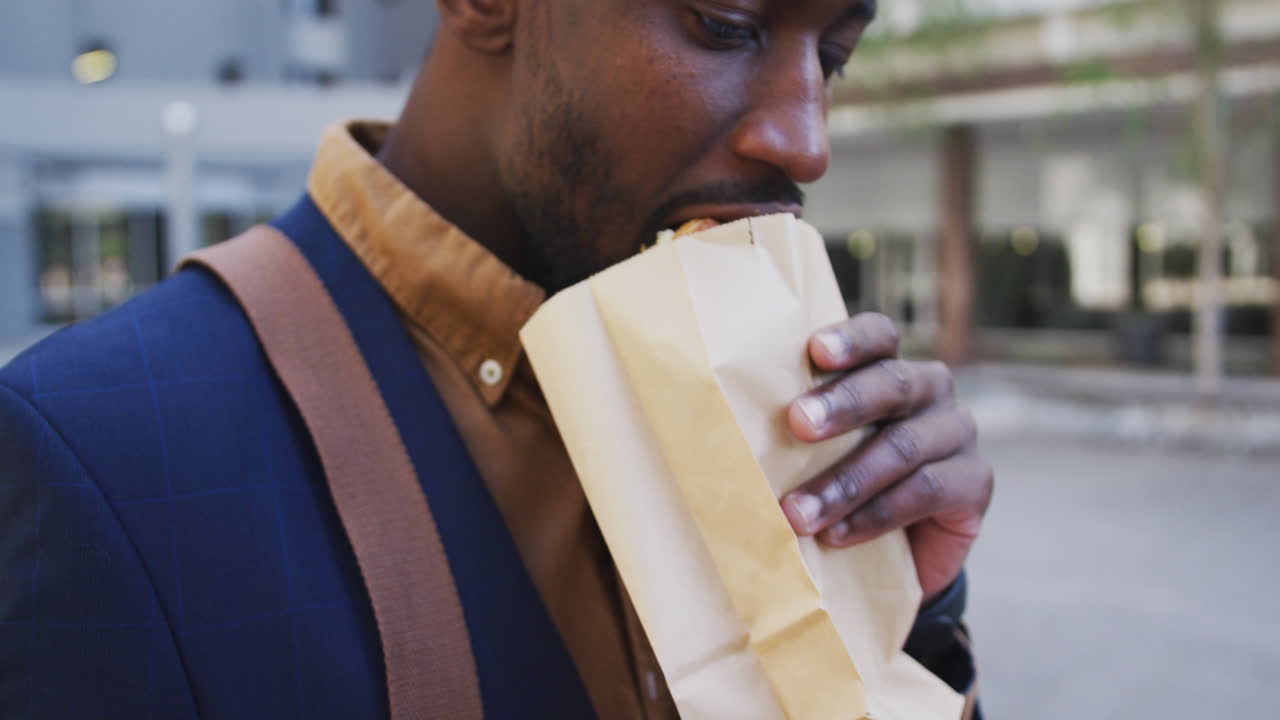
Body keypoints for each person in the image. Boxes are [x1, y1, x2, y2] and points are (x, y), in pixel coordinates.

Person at [0, 0, 994, 718]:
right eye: (726, 26)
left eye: (834, 53)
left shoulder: (787, 406)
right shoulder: (100, 452)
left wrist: (909, 614)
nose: (805, 136)